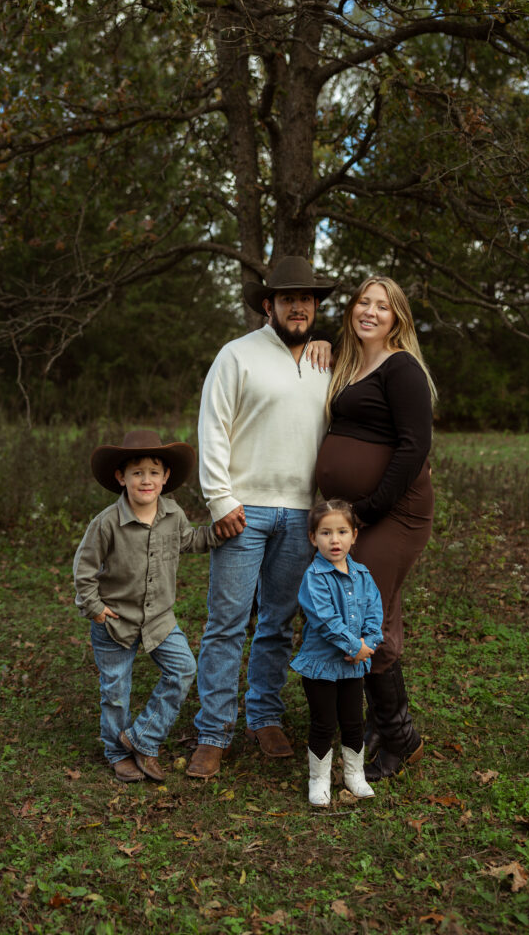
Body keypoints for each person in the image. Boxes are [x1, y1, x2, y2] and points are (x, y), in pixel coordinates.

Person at [186, 256, 337, 779]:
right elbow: (213, 427)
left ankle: (265, 716)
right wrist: (220, 500)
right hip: (242, 512)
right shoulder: (237, 356)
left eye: (308, 299)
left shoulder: (326, 365)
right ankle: (212, 731)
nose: (299, 306)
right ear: (268, 305)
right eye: (288, 298)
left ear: (316, 307)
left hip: (300, 514)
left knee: (277, 623)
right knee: (227, 623)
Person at [315, 277, 436, 782]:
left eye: (382, 306)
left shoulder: (401, 367)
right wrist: (318, 341)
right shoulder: (349, 363)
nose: (370, 311)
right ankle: (388, 727)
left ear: (397, 319)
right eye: (363, 302)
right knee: (373, 609)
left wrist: (365, 510)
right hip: (358, 512)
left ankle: (399, 733)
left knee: (362, 610)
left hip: (394, 511)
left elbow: (413, 447)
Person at [73, 430, 222, 783]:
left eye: (154, 472)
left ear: (166, 478)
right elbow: (84, 568)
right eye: (137, 472)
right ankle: (116, 751)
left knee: (184, 669)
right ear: (120, 477)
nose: (146, 480)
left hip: (158, 619)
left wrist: (220, 532)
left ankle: (143, 738)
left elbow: (191, 541)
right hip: (115, 620)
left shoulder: (174, 515)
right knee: (115, 691)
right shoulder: (106, 523)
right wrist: (94, 607)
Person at [291, 499, 384, 806]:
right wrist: (354, 646)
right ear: (312, 538)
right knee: (324, 722)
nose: (334, 540)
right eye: (325, 533)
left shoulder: (364, 575)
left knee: (353, 720)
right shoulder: (314, 578)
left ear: (354, 535)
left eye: (342, 531)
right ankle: (318, 779)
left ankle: (354, 775)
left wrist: (368, 642)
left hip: (354, 665)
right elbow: (325, 619)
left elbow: (374, 612)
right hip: (321, 664)